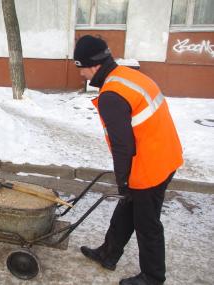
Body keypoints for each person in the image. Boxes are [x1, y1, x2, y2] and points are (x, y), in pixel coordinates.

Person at [73, 35, 183, 285]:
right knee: (126, 210)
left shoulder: (112, 94)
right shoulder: (128, 75)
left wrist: (124, 181)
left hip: (150, 166)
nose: (81, 75)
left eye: (80, 68)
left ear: (93, 65)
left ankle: (152, 278)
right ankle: (108, 254)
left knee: (147, 224)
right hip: (164, 154)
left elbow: (123, 146)